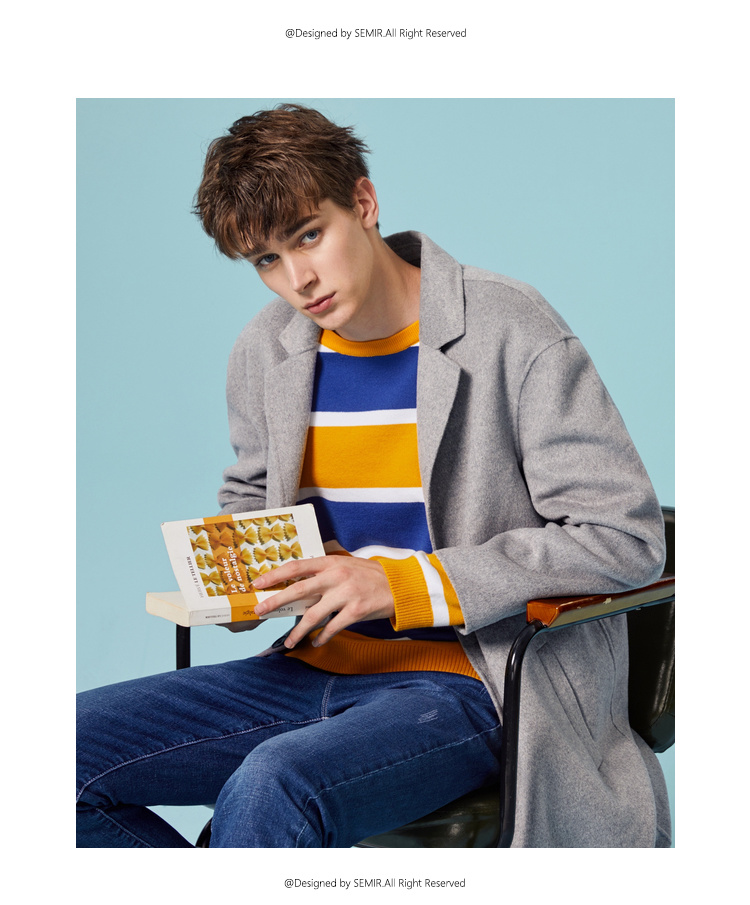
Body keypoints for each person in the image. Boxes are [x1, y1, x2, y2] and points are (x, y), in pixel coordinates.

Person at [76, 104, 670, 847]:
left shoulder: (511, 329)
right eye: (266, 260)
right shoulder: (266, 350)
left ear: (363, 203)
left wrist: (403, 584)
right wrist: (248, 577)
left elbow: (623, 537)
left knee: (273, 782)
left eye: (308, 235)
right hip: (311, 665)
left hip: (472, 681)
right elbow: (249, 495)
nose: (298, 279)